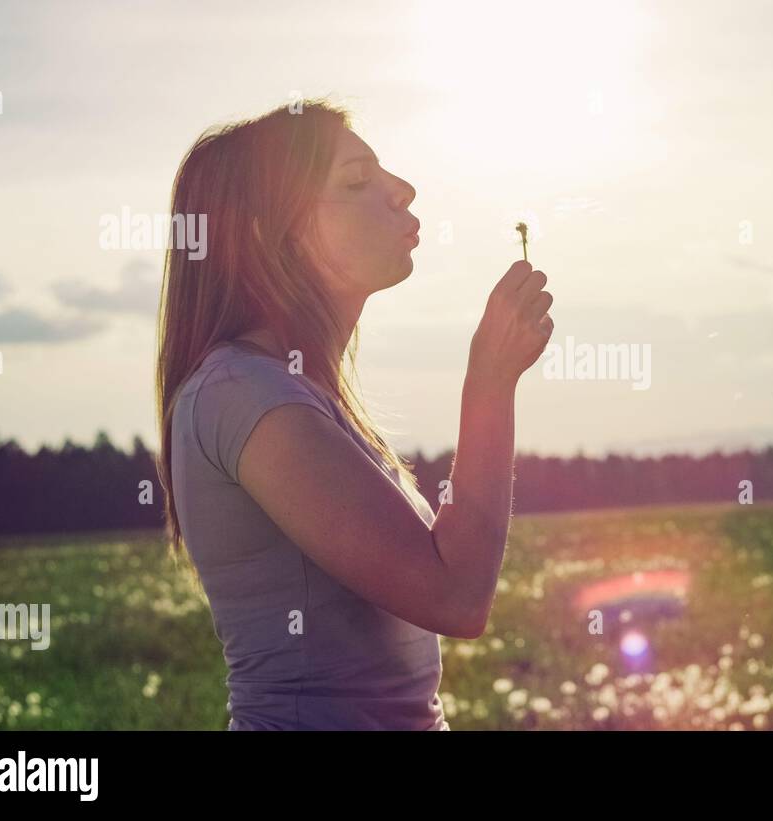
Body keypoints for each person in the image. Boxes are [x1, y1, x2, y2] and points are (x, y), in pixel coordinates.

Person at [153, 99, 553, 730]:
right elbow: (455, 596)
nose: (403, 190)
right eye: (357, 181)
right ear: (270, 234)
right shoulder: (243, 393)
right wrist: (490, 383)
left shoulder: (297, 391)